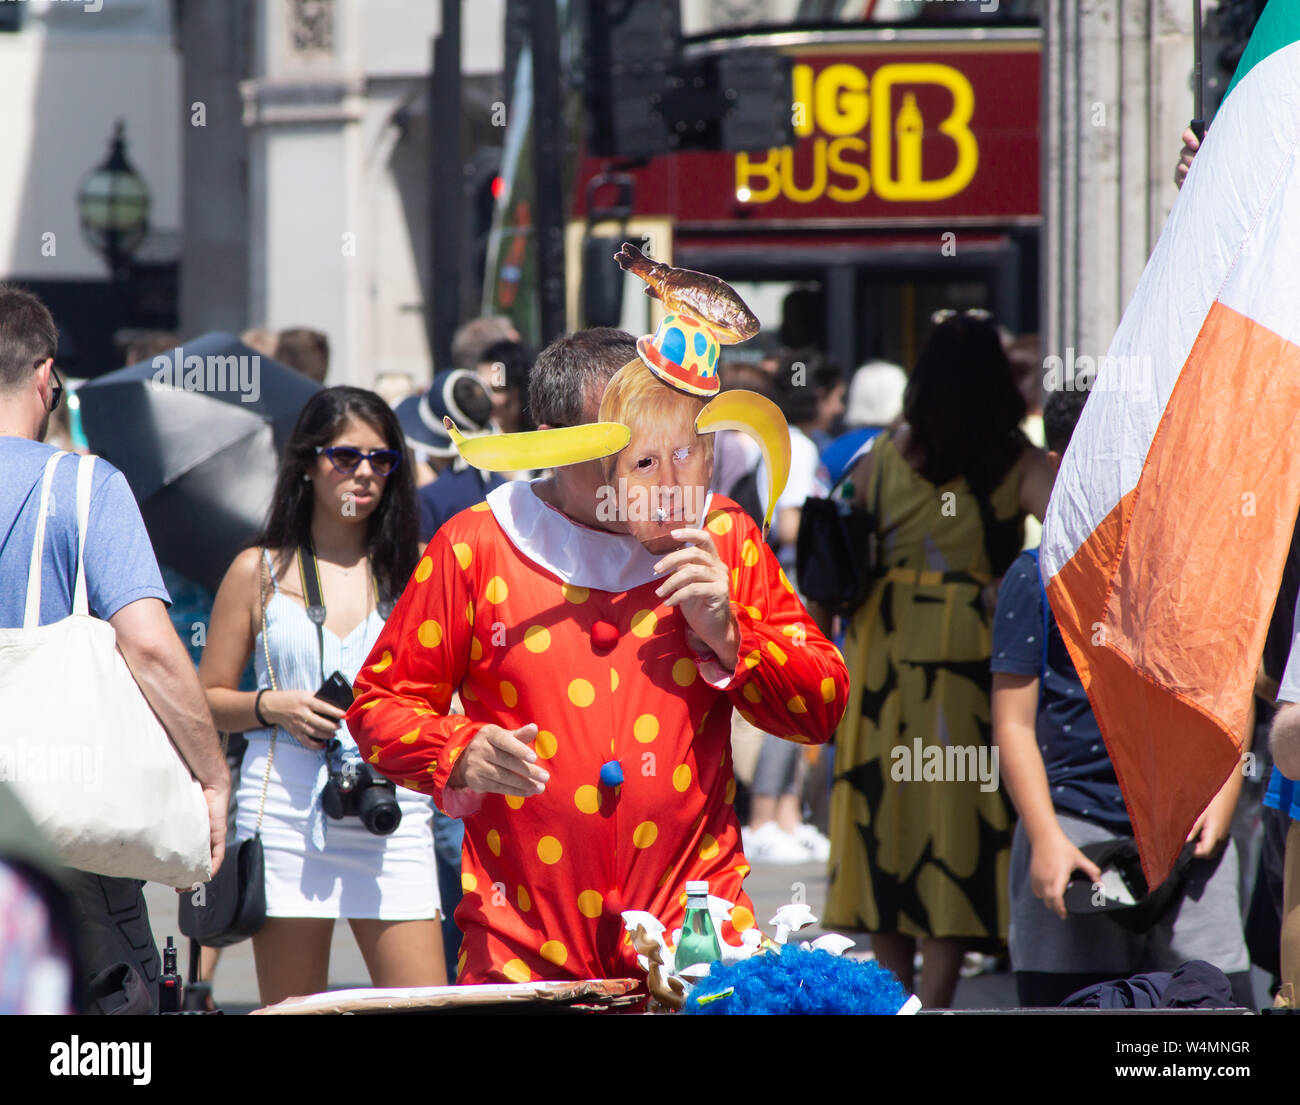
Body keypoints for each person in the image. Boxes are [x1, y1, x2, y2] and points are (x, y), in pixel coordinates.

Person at [345, 327, 849, 985]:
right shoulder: (475, 544)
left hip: (697, 940)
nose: (656, 474)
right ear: (554, 441)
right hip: (523, 949)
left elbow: (823, 707)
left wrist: (733, 635)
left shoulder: (720, 534)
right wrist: (455, 749)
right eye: (625, 445)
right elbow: (379, 707)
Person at [0, 284, 228, 1013]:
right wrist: (211, 777)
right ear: (46, 377)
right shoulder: (84, 486)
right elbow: (151, 646)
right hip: (63, 841)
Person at [820, 310, 1055, 1010]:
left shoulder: (884, 455)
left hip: (881, 652)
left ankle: (897, 999)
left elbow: (845, 536)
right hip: (967, 655)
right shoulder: (1018, 462)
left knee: (885, 820)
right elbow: (1070, 542)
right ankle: (938, 1000)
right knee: (951, 823)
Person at [991, 385, 1251, 1008]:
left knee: (1215, 1012)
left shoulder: (1193, 566)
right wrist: (1047, 835)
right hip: (1075, 826)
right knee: (1078, 1001)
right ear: (1060, 465)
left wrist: (1225, 788)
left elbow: (1227, 689)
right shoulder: (1036, 576)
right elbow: (1014, 722)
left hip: (1191, 828)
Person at [198, 386, 445, 1006]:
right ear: (308, 462)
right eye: (345, 455)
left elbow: (449, 697)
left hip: (393, 811)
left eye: (382, 460)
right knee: (292, 1010)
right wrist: (269, 707)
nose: (364, 472)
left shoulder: (418, 570)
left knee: (426, 1005)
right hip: (283, 812)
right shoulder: (257, 571)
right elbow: (204, 699)